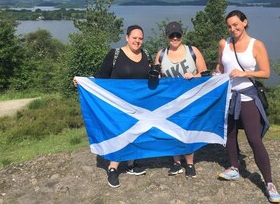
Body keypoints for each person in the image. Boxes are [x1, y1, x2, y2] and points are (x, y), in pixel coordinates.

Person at [215, 10, 280, 203]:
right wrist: (216, 74)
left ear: (245, 22)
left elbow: (266, 73)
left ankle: (269, 183)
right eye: (229, 26)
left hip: (247, 97)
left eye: (236, 24)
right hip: (228, 96)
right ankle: (235, 168)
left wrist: (244, 74)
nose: (232, 28)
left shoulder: (256, 45)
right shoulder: (224, 44)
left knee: (254, 139)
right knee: (229, 134)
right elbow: (221, 66)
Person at [74, 25, 150, 188]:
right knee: (119, 133)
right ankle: (113, 168)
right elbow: (101, 76)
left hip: (138, 105)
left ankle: (131, 164)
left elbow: (150, 80)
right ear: (127, 38)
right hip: (117, 104)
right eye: (134, 37)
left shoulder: (146, 56)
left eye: (140, 38)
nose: (137, 41)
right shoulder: (115, 54)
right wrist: (83, 82)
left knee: (136, 132)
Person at [154, 21, 208, 178]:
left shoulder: (192, 51)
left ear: (182, 36)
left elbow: (205, 73)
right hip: (170, 101)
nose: (175, 38)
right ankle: (176, 162)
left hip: (190, 100)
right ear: (166, 36)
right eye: (172, 35)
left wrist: (194, 76)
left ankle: (190, 163)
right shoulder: (161, 54)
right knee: (172, 130)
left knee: (187, 130)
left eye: (177, 35)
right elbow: (157, 76)